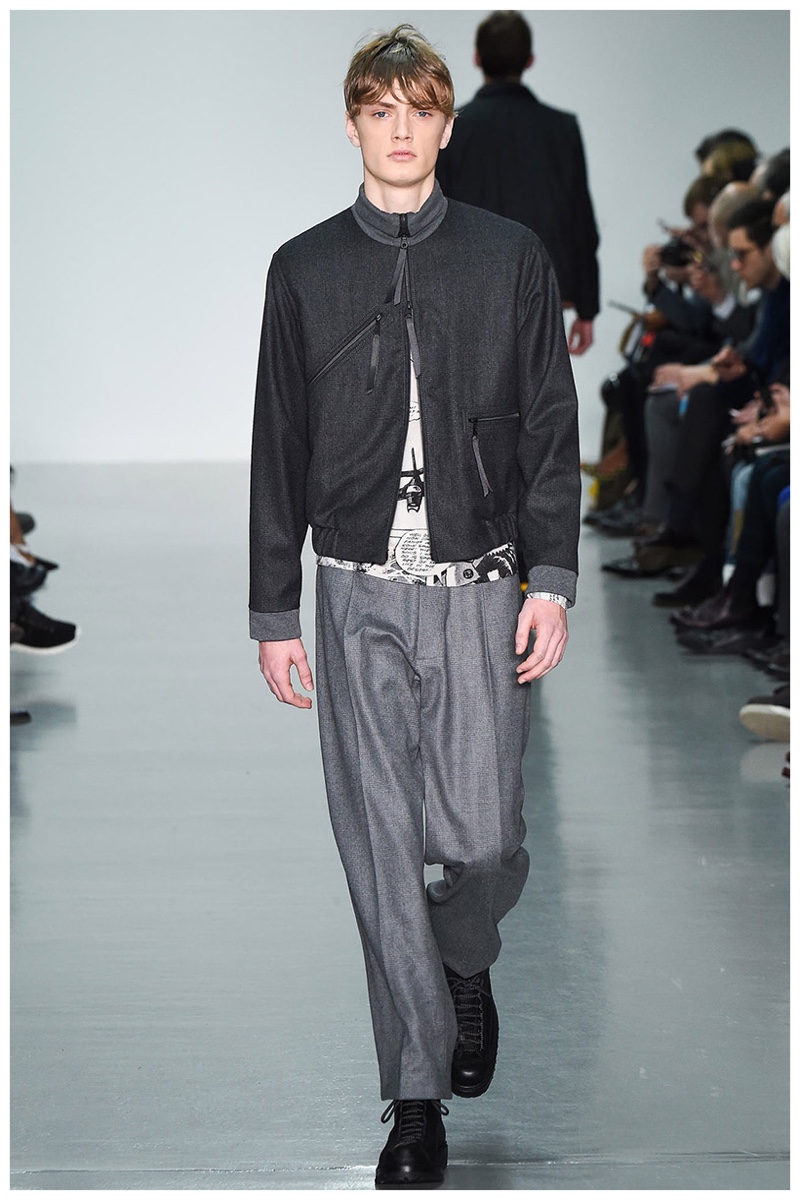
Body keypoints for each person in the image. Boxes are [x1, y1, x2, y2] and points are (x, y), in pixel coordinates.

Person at [249, 25, 580, 1189]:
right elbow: (276, 438)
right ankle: (414, 1100)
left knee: (482, 841)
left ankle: (463, 948)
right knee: (380, 853)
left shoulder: (508, 257)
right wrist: (272, 609)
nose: (398, 129)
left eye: (418, 109)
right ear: (352, 121)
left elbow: (548, 422)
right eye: (378, 108)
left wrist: (552, 577)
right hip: (351, 593)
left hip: (478, 587)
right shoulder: (302, 268)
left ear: (446, 123)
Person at [435, 10, 599, 355]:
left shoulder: (452, 130)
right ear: (529, 60)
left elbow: (436, 216)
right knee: (537, 382)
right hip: (543, 287)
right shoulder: (561, 129)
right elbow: (581, 219)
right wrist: (587, 307)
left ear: (476, 58)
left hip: (471, 290)